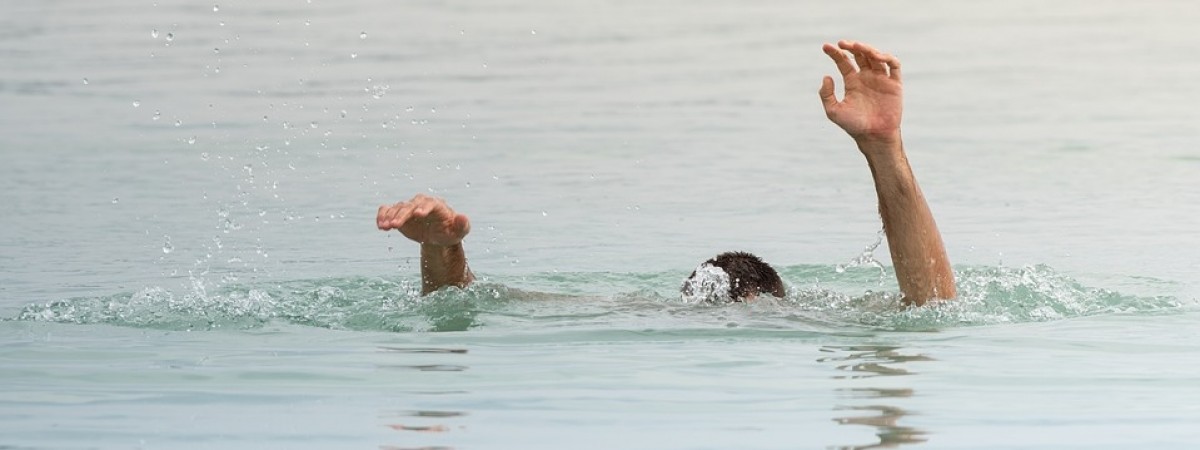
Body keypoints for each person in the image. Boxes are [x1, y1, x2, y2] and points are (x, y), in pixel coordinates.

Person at [376, 41, 956, 306]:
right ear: (776, 303)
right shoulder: (809, 323)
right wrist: (886, 154)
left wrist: (442, 254)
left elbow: (468, 304)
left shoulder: (632, 311)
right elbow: (932, 305)